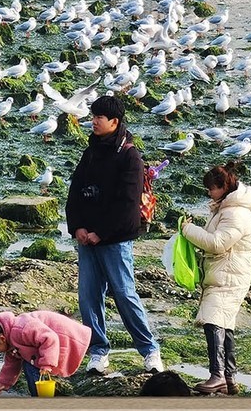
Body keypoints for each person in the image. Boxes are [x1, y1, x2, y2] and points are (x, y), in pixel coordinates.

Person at [66, 94, 164, 374]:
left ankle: (150, 350)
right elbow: (75, 193)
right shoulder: (91, 151)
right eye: (93, 116)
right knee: (88, 297)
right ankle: (98, 351)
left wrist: (101, 233)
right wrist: (79, 228)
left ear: (114, 122)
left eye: (99, 117)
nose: (93, 121)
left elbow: (128, 204)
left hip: (115, 240)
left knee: (124, 294)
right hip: (87, 240)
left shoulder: (129, 156)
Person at [179, 162, 251, 395]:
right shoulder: (226, 208)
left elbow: (217, 244)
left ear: (223, 187)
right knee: (225, 324)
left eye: (211, 188)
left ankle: (217, 376)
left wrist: (188, 230)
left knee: (213, 321)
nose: (208, 193)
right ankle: (229, 377)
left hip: (228, 275)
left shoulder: (236, 213)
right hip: (226, 273)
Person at [0, 310, 92, 397]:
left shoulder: (22, 328)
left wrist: (47, 364)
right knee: (30, 363)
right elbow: (11, 364)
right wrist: (4, 383)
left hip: (69, 337)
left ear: (1, 338)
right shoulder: (10, 340)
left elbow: (50, 338)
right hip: (53, 342)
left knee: (30, 366)